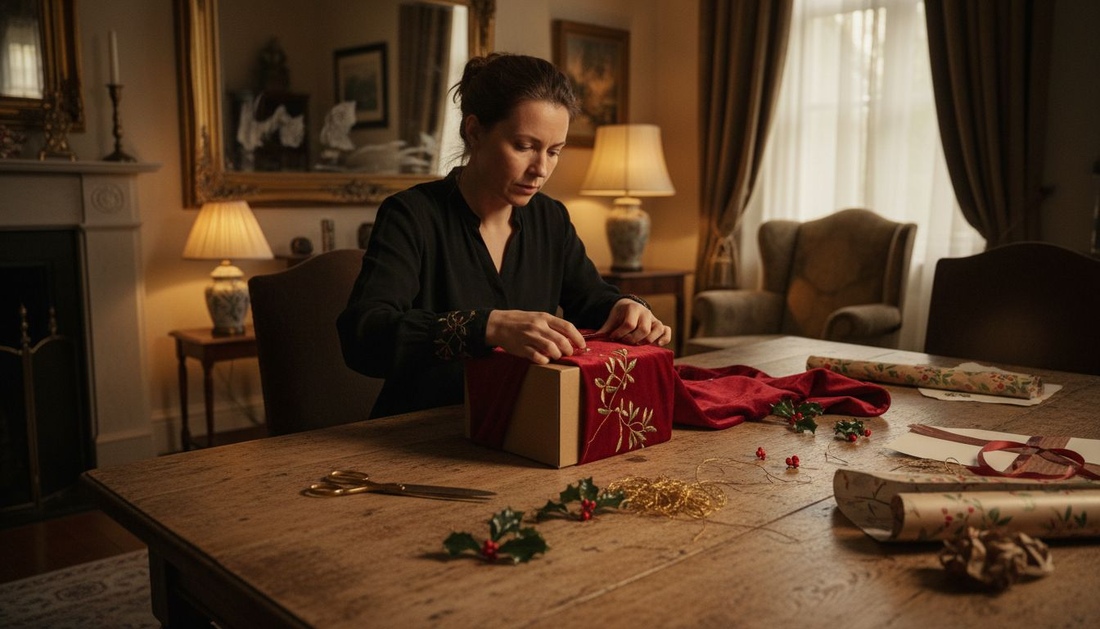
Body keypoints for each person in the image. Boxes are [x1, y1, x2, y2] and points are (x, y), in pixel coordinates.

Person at [337, 53, 671, 418]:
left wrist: (624, 308)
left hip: (524, 427)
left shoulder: (551, 218)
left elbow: (590, 299)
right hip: (419, 430)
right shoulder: (411, 214)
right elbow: (364, 336)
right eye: (524, 146)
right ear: (475, 131)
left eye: (554, 151)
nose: (541, 169)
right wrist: (488, 326)